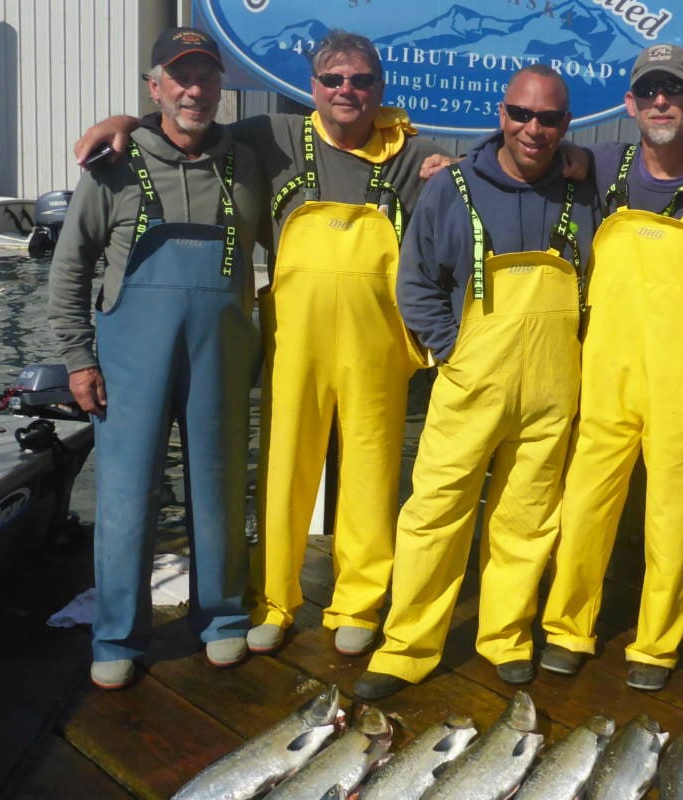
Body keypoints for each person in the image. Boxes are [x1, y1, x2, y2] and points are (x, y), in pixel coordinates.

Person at [76, 31, 450, 658]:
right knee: (281, 475)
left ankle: (359, 602)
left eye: (361, 80)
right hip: (293, 344)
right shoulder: (270, 136)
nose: (346, 90)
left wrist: (456, 176)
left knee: (372, 473)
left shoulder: (415, 155)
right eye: (333, 79)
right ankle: (273, 600)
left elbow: (477, 184)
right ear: (313, 87)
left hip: (377, 347)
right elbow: (186, 124)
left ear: (380, 88)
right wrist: (125, 123)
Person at [352, 64, 600, 701]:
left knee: (528, 517)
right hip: (470, 381)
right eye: (521, 113)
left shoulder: (586, 189)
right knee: (435, 512)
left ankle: (506, 636)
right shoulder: (451, 186)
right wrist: (451, 348)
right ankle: (406, 647)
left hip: (552, 389)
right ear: (501, 114)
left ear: (566, 125)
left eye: (548, 118)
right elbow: (416, 281)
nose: (533, 129)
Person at [538, 44, 683, 692]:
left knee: (674, 520)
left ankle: (656, 646)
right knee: (585, 508)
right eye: (648, 91)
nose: (661, 101)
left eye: (674, 90)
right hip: (608, 375)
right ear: (630, 104)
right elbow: (525, 157)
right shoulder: (601, 166)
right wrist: (449, 165)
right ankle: (568, 629)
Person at [49, 27, 267, 690]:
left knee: (220, 488)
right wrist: (77, 359)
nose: (193, 90)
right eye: (180, 77)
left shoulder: (250, 161)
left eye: (205, 77)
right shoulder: (113, 166)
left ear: (221, 87)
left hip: (220, 358)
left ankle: (222, 618)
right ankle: (117, 635)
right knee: (124, 497)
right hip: (128, 364)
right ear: (155, 87)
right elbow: (69, 268)